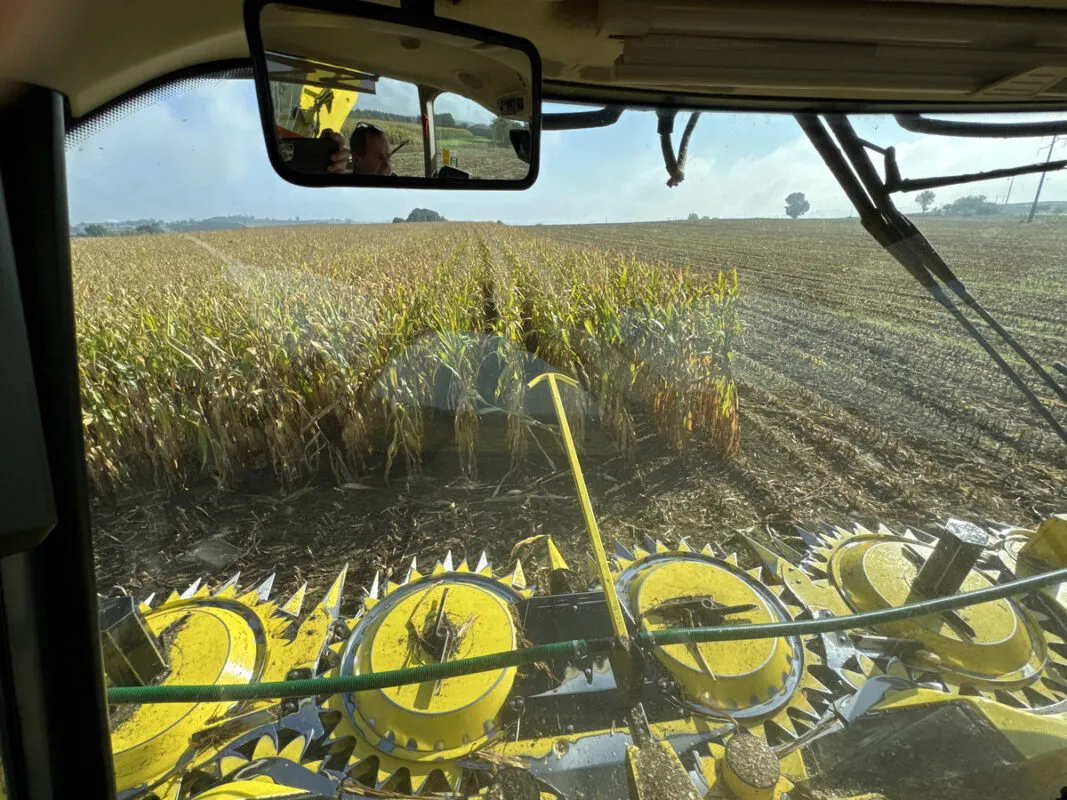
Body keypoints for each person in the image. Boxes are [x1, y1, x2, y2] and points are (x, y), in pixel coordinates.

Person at [321, 123, 394, 176]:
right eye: (378, 157)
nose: (387, 165)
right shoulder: (343, 187)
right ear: (356, 159)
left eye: (388, 157)